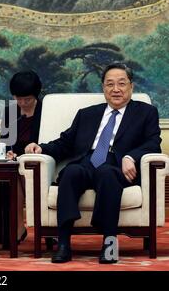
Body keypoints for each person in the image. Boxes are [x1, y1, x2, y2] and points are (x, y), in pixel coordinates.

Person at [25, 62, 161, 263]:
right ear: (103, 87)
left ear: (131, 86)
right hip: (88, 162)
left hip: (117, 165)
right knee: (71, 173)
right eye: (110, 84)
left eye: (121, 84)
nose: (116, 89)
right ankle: (63, 243)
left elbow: (153, 142)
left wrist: (130, 156)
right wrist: (41, 148)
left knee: (106, 174)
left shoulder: (145, 112)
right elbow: (65, 143)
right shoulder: (87, 114)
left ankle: (109, 242)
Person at [1, 71, 42, 243]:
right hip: (17, 162)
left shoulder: (46, 110)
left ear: (36, 96)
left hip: (41, 160)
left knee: (25, 173)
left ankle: (45, 226)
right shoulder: (10, 112)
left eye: (28, 99)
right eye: (19, 99)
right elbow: (4, 142)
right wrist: (8, 153)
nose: (23, 103)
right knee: (14, 174)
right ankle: (18, 227)